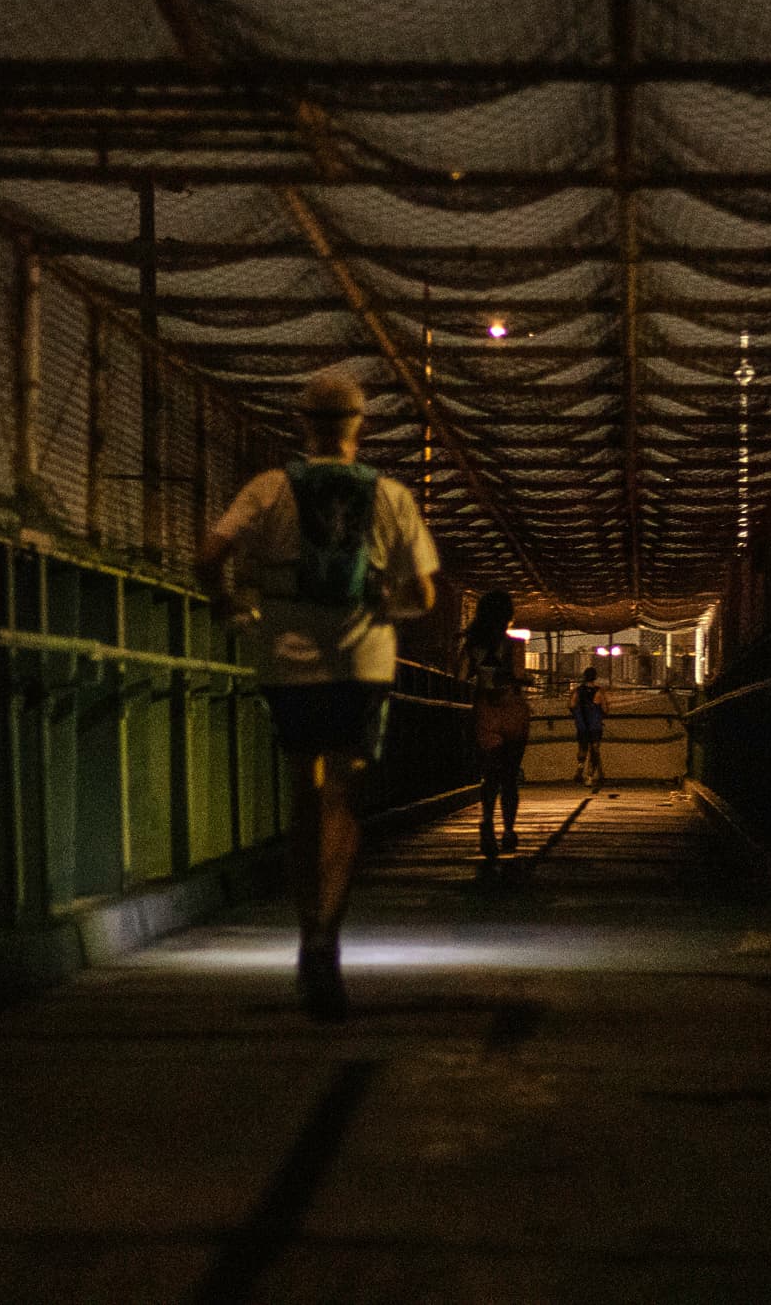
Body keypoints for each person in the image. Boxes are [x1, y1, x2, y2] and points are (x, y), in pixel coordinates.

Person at [196, 371, 440, 1022]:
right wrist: (384, 601)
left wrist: (228, 602)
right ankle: (328, 928)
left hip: (288, 661)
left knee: (306, 790)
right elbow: (425, 595)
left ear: (302, 423)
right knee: (343, 798)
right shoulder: (389, 496)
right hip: (363, 663)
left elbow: (207, 554)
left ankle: (307, 923)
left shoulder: (270, 488)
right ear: (360, 425)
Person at [461, 589, 531, 867]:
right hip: (513, 709)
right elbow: (519, 677)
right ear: (507, 616)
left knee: (490, 774)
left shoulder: (471, 645)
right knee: (510, 776)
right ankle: (509, 830)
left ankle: (487, 822)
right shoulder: (514, 645)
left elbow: (462, 674)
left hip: (485, 710)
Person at [571, 665, 606, 791]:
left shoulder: (577, 691)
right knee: (594, 750)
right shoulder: (599, 692)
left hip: (582, 725)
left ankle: (580, 766)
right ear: (595, 677)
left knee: (582, 748)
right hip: (595, 725)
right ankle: (590, 777)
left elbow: (571, 705)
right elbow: (605, 709)